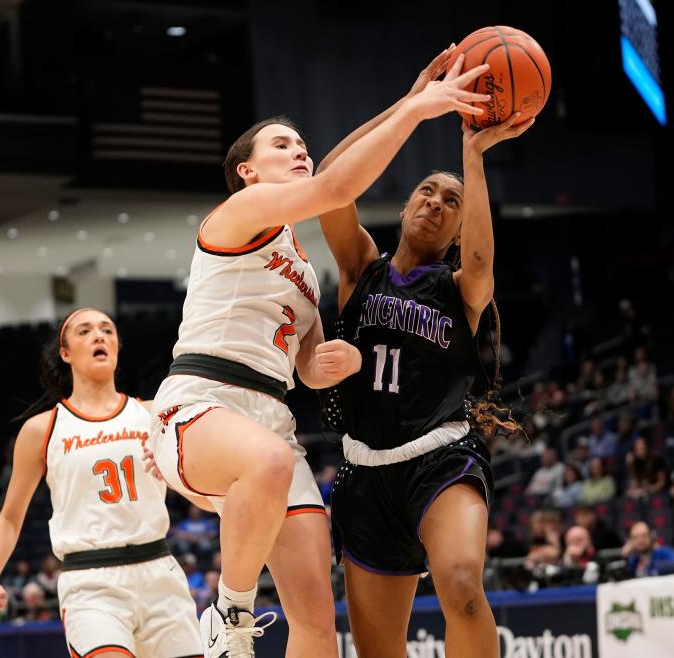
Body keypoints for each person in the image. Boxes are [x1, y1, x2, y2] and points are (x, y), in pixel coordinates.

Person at [147, 44, 492, 658]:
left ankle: (244, 618)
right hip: (202, 401)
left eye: (300, 144)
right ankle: (229, 616)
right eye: (281, 144)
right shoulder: (238, 213)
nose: (297, 149)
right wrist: (416, 107)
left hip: (271, 421)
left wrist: (330, 362)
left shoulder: (303, 270)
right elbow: (338, 183)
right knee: (272, 464)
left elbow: (307, 367)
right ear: (247, 172)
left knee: (315, 624)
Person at [315, 49, 533, 656]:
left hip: (442, 461)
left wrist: (473, 151)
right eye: (427, 191)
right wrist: (411, 108)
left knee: (462, 587)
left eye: (451, 202)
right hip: (364, 474)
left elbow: (485, 264)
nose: (436, 202)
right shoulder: (361, 266)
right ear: (407, 203)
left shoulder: (460, 289)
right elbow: (331, 181)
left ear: (459, 229)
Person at [0, 309, 202, 658]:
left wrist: (179, 478)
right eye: (85, 331)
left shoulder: (154, 414)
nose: (99, 336)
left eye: (107, 330)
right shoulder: (42, 429)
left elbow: (204, 496)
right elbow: (9, 516)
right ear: (65, 353)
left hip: (160, 570)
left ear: (117, 345)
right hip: (90, 581)